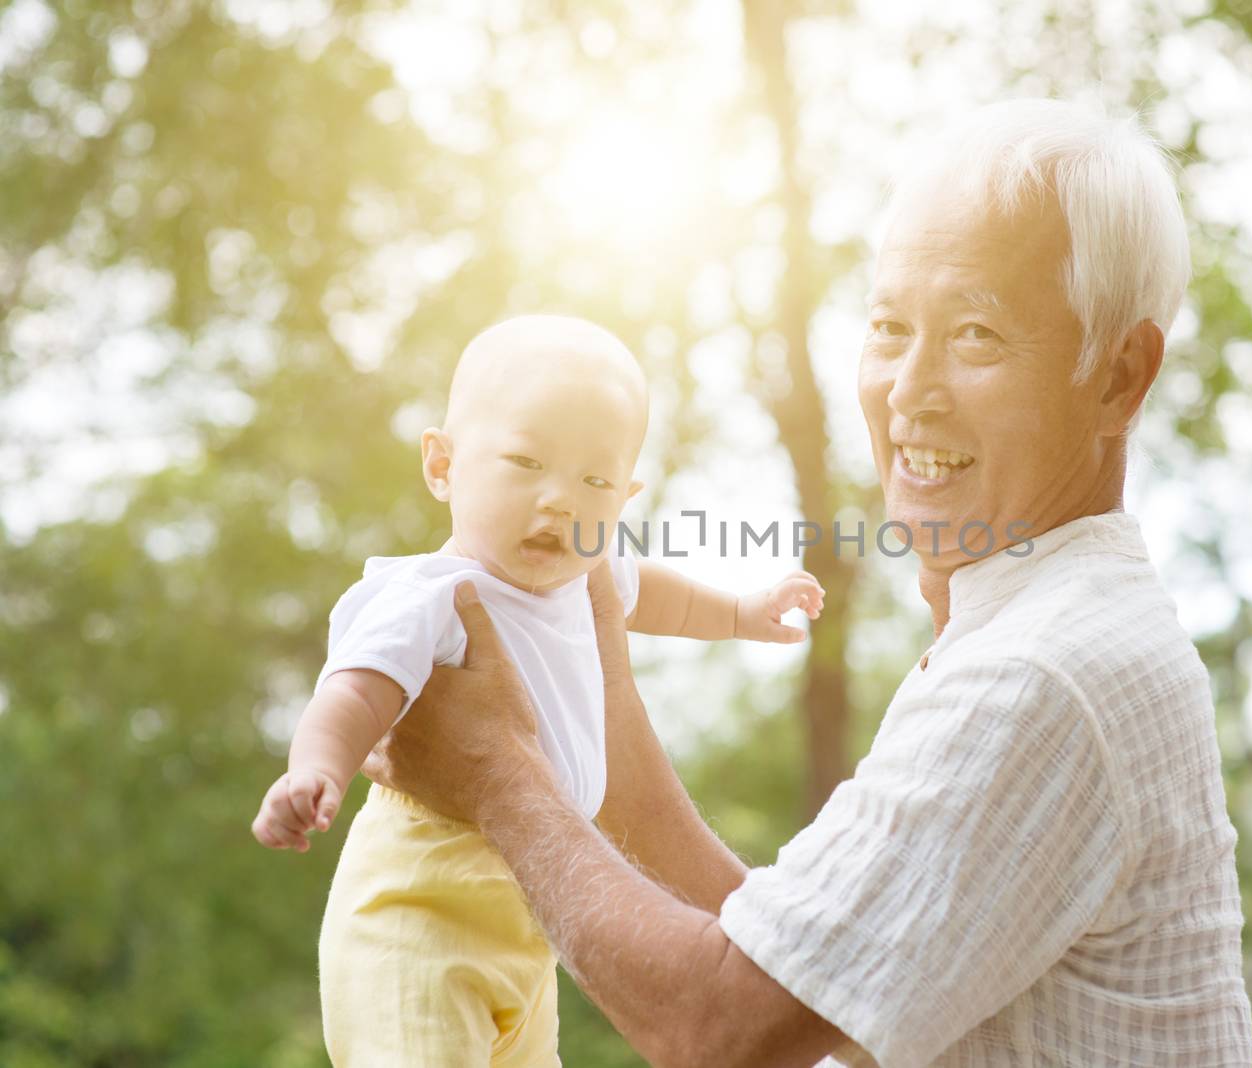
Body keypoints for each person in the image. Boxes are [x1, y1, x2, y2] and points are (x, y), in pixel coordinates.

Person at [365, 98, 1252, 1066]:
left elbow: (722, 1027)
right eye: (887, 328)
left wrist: (500, 776)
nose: (908, 390)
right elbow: (810, 970)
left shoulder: (1043, 676)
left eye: (975, 336)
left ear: (1119, 375)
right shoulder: (1042, 626)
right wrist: (585, 667)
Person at [249, 314, 824, 1066]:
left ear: (626, 495)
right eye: (525, 462)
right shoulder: (433, 595)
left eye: (595, 480)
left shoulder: (589, 579)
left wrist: (744, 613)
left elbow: (659, 596)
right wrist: (315, 770)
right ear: (442, 465)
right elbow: (355, 696)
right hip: (419, 908)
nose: (560, 499)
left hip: (528, 919)